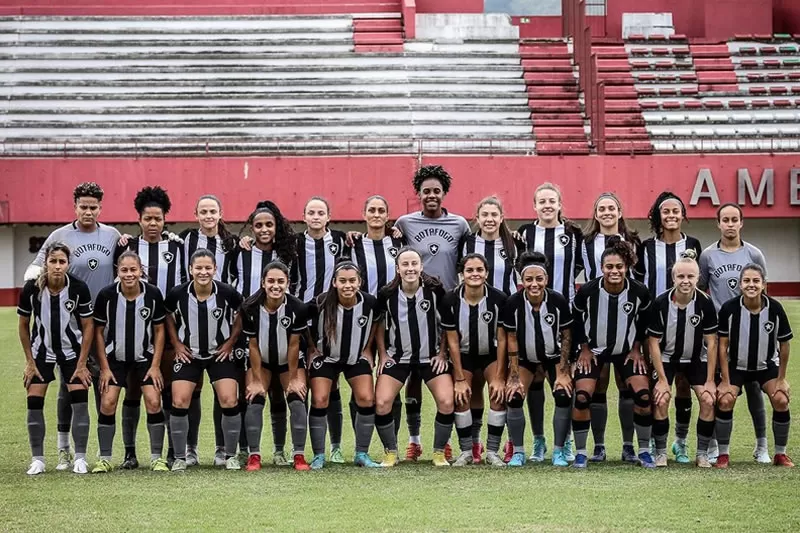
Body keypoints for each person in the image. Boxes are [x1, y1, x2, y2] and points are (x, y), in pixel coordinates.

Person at [25, 182, 120, 471]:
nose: (88, 211)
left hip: (102, 323)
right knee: (68, 389)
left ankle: (101, 454)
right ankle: (64, 450)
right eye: (83, 206)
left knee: (102, 389)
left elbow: (125, 263)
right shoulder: (60, 235)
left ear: (100, 208)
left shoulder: (113, 235)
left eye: (93, 207)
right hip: (68, 327)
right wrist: (29, 286)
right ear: (75, 206)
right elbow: (37, 266)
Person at [393, 166, 469, 461]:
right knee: (413, 374)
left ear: (444, 192)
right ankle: (414, 440)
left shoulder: (459, 224)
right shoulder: (405, 222)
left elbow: (471, 255)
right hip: (414, 307)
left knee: (443, 370)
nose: (431, 196)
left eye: (436, 191)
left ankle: (444, 440)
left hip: (447, 307)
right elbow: (392, 246)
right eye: (426, 191)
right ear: (419, 194)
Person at [113, 186, 186, 469]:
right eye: (147, 219)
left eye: (158, 218)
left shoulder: (177, 247)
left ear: (165, 219)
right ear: (139, 219)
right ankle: (130, 452)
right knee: (133, 391)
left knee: (165, 390)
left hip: (169, 329)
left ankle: (170, 450)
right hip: (134, 332)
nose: (153, 224)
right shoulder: (126, 248)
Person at [570, 239, 655, 468]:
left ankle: (640, 449)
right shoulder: (587, 291)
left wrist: (637, 349)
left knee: (643, 396)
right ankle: (585, 451)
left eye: (619, 266)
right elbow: (575, 321)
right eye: (609, 267)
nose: (614, 271)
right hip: (595, 351)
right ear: (602, 268)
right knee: (582, 397)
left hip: (626, 351)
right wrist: (584, 349)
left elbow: (644, 323)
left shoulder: (639, 291)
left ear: (626, 267)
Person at [514, 182, 583, 463]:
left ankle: (563, 443)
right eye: (541, 201)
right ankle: (538, 441)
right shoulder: (524, 235)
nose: (546, 205)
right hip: (530, 312)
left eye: (551, 201)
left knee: (563, 380)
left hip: (562, 314)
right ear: (534, 205)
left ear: (559, 203)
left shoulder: (573, 234)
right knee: (534, 380)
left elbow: (580, 267)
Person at [699, 203, 771, 464]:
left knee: (753, 386)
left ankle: (761, 445)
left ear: (742, 223)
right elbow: (703, 291)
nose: (730, 224)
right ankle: (717, 445)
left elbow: (765, 293)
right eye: (725, 220)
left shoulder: (754, 254)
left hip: (748, 330)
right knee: (721, 387)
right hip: (719, 333)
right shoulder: (708, 255)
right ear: (718, 224)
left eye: (734, 219)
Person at [635, 191, 703, 464]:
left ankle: (681, 442)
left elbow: (701, 282)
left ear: (683, 216)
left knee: (685, 382)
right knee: (657, 382)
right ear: (658, 216)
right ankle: (655, 440)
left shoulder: (694, 245)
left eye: (676, 211)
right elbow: (641, 286)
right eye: (666, 211)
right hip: (656, 324)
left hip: (688, 322)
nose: (672, 215)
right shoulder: (647, 247)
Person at [374, 248, 454, 467]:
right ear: (398, 269)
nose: (410, 268)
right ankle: (391, 452)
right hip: (399, 358)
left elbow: (447, 324)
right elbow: (379, 324)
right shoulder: (387, 294)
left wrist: (442, 353)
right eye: (405, 265)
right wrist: (382, 355)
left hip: (430, 357)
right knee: (381, 403)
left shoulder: (435, 290)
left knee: (447, 402)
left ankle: (438, 452)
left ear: (421, 267)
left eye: (414, 264)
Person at [165, 249, 243, 471]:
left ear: (215, 269)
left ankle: (228, 454)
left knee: (228, 399)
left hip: (219, 354)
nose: (203, 272)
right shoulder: (177, 293)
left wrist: (229, 343)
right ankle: (183, 455)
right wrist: (177, 344)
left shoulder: (227, 292)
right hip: (190, 354)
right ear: (190, 270)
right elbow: (167, 316)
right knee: (179, 401)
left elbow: (241, 315)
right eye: (198, 267)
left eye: (208, 267)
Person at [91, 251, 169, 473]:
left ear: (140, 270)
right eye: (124, 270)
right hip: (115, 358)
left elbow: (159, 330)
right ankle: (104, 458)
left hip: (144, 357)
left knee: (154, 401)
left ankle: (156, 458)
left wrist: (155, 366)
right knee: (107, 403)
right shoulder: (106, 295)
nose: (129, 274)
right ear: (117, 271)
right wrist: (104, 368)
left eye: (133, 269)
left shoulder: (153, 294)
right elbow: (97, 332)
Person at [19, 242, 94, 475]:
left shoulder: (78, 288)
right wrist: (30, 362)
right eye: (53, 261)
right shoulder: (32, 289)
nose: (58, 266)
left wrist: (82, 364)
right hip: (41, 353)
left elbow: (88, 325)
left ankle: (80, 457)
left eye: (62, 262)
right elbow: (23, 325)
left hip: (72, 353)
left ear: (68, 264)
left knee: (80, 402)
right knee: (34, 403)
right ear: (46, 263)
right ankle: (38, 459)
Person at [232, 200, 297, 466]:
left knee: (278, 393)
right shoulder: (241, 252)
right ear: (251, 228)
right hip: (248, 329)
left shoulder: (288, 254)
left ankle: (280, 450)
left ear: (276, 226)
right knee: (246, 390)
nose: (263, 229)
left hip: (282, 326)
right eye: (258, 225)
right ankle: (246, 449)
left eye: (268, 224)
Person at [457, 196, 520, 463]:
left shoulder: (513, 242)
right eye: (485, 214)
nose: (490, 219)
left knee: (501, 385)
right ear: (478, 217)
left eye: (495, 214)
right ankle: (474, 446)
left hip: (503, 319)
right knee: (475, 389)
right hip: (470, 320)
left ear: (502, 217)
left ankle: (505, 443)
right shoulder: (467, 243)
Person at [580, 192, 641, 463]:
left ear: (619, 211)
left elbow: (641, 278)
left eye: (611, 208)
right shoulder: (586, 242)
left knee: (626, 382)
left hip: (627, 318)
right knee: (599, 382)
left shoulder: (635, 241)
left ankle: (629, 446)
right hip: (596, 321)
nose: (606, 212)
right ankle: (599, 446)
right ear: (595, 214)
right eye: (601, 208)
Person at [714, 263, 793, 468]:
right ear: (740, 285)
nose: (751, 285)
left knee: (781, 400)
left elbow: (784, 345)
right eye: (747, 281)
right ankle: (723, 454)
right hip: (737, 366)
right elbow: (722, 347)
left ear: (764, 284)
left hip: (765, 366)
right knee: (724, 400)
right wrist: (724, 380)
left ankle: (780, 454)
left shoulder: (775, 308)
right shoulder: (729, 309)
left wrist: (782, 379)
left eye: (756, 281)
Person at [179, 194, 238, 466]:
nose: (208, 215)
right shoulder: (183, 240)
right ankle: (188, 449)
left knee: (224, 393)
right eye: (203, 211)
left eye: (213, 210)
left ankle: (222, 449)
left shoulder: (232, 243)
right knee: (188, 393)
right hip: (190, 324)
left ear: (220, 213)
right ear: (195, 214)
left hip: (221, 325)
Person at [291, 196, 350, 464]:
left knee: (331, 382)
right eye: (311, 212)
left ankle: (336, 446)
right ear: (304, 216)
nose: (316, 216)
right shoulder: (293, 243)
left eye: (321, 212)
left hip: (331, 318)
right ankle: (301, 449)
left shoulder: (341, 240)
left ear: (329, 216)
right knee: (303, 383)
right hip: (301, 318)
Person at [307, 261, 382, 469]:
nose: (347, 285)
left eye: (352, 281)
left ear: (359, 282)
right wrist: (312, 349)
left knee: (366, 398)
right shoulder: (321, 302)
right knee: (320, 399)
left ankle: (361, 454)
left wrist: (368, 348)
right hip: (327, 359)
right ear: (334, 283)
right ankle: (319, 455)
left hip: (354, 358)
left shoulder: (369, 303)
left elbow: (376, 323)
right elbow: (304, 324)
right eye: (342, 281)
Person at [647, 251, 718, 468]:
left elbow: (712, 343)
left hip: (695, 358)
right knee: (661, 398)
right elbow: (653, 344)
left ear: (698, 278)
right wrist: (661, 379)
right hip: (667, 358)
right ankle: (660, 452)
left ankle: (702, 453)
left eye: (690, 277)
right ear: (673, 278)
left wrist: (710, 380)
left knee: (707, 399)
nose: (685, 281)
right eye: (681, 277)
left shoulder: (705, 303)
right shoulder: (660, 303)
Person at [502, 252, 574, 467]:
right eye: (529, 279)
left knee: (564, 393)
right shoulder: (513, 302)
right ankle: (524, 449)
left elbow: (567, 335)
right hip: (526, 359)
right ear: (522, 281)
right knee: (514, 396)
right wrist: (513, 376)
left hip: (553, 357)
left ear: (547, 280)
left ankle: (561, 448)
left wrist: (563, 371)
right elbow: (512, 339)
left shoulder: (557, 300)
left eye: (539, 279)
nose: (534, 284)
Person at [240, 261, 311, 471]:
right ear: (263, 283)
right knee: (254, 397)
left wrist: (294, 378)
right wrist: (254, 379)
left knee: (297, 398)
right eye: (271, 281)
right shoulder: (249, 307)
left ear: (288, 283)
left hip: (288, 360)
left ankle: (298, 455)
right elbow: (252, 346)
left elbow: (294, 344)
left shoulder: (297, 307)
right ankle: (254, 455)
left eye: (281, 281)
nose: (275, 286)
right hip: (261, 361)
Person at [440, 253, 508, 467]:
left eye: (479, 270)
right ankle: (467, 451)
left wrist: (499, 377)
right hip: (464, 355)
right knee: (461, 396)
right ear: (462, 274)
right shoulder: (450, 300)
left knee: (498, 394)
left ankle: (493, 452)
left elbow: (503, 339)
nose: (475, 274)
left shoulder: (499, 299)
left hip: (491, 354)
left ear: (486, 273)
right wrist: (459, 378)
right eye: (470, 270)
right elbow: (452, 343)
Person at [349, 195, 405, 445]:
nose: (376, 214)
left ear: (387, 215)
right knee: (359, 380)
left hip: (393, 322)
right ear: (364, 214)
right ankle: (362, 445)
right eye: (371, 209)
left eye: (381, 210)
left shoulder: (398, 242)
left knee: (390, 378)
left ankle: (390, 444)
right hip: (359, 322)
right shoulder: (352, 243)